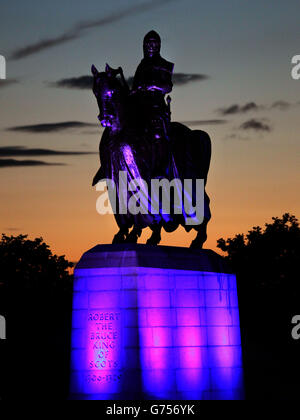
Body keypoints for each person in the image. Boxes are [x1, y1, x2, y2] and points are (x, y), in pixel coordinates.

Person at [131, 30, 174, 139]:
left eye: (154, 42)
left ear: (158, 44)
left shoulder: (165, 65)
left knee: (157, 134)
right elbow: (135, 86)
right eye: (148, 42)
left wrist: (153, 85)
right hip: (139, 104)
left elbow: (168, 87)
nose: (151, 45)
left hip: (156, 105)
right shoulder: (141, 66)